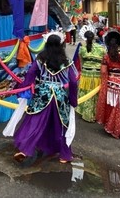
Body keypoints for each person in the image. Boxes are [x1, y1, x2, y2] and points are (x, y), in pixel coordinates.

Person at [12, 32, 79, 164]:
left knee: (34, 122)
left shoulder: (40, 60)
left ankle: (25, 150)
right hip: (60, 97)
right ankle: (64, 156)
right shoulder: (67, 62)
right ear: (61, 45)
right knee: (60, 125)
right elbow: (73, 82)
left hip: (42, 95)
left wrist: (24, 88)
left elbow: (30, 74)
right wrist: (73, 99)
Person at [76, 30, 105, 122]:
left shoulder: (82, 49)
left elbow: (81, 63)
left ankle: (86, 113)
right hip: (97, 74)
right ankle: (96, 114)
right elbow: (104, 62)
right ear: (94, 37)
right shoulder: (101, 48)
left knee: (86, 93)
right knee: (96, 94)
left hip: (86, 75)